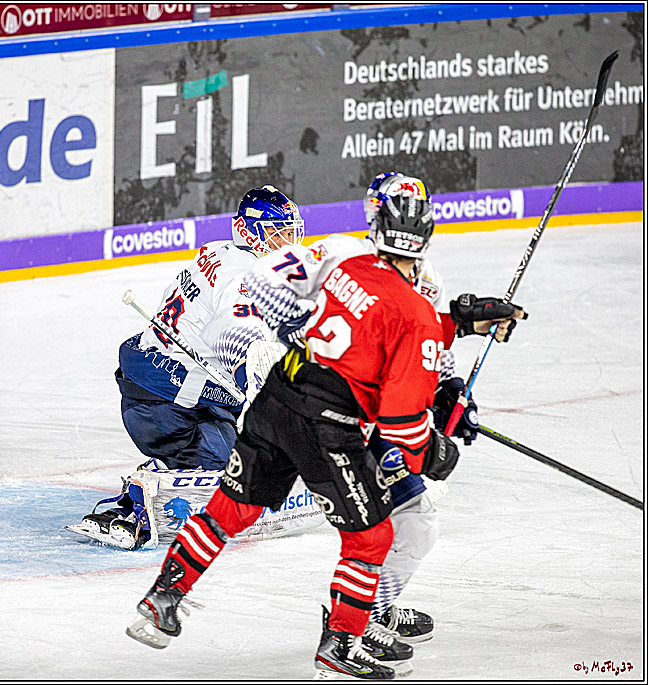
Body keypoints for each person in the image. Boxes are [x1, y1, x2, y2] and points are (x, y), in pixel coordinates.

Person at [125, 192, 527, 680]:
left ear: (376, 230)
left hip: (277, 396)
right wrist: (434, 453)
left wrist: (455, 326)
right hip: (326, 426)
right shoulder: (419, 316)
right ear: (424, 245)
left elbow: (265, 282)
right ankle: (341, 646)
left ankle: (163, 599)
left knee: (231, 509)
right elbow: (402, 427)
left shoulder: (341, 250)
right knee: (372, 535)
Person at [66, 185, 304, 550]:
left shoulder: (216, 252)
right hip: (164, 399)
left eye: (291, 232)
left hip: (160, 380)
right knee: (235, 474)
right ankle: (138, 500)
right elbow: (232, 333)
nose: (288, 243)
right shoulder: (244, 276)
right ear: (249, 232)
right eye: (278, 234)